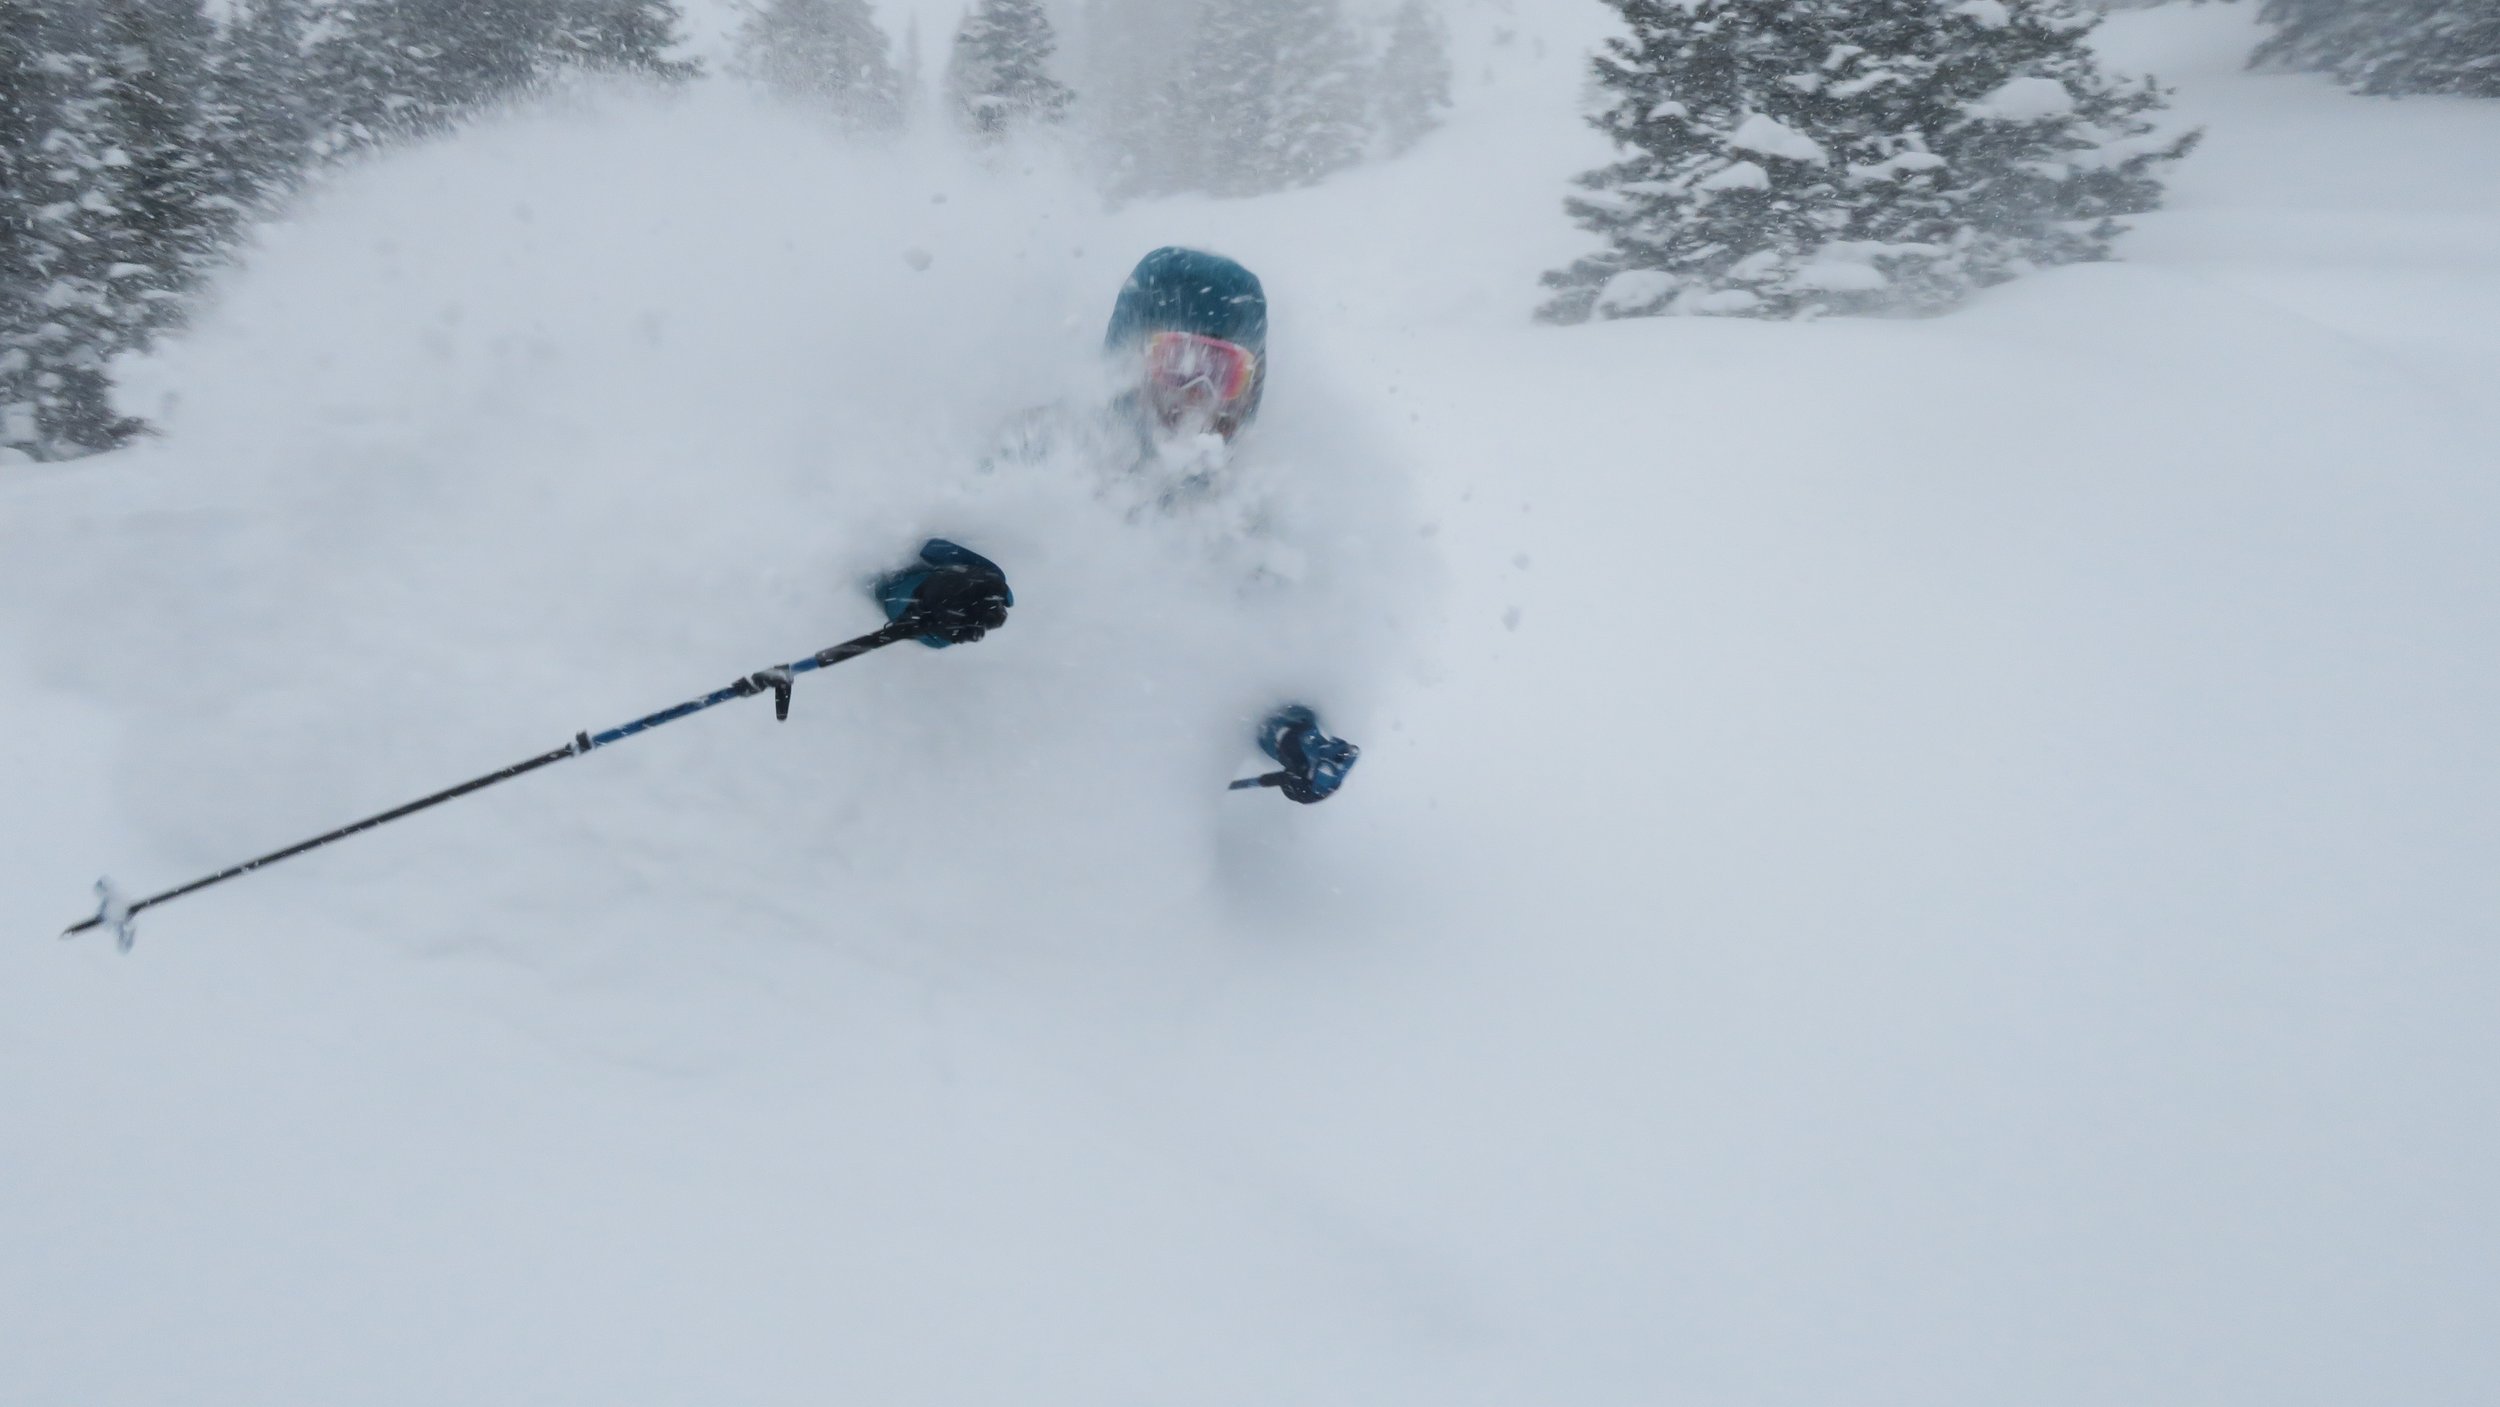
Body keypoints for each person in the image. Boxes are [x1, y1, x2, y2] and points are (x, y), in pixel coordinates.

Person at [870, 247, 1360, 805]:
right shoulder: (1042, 449)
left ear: (1250, 388)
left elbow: (1240, 665)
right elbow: (886, 565)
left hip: (1102, 812)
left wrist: (1291, 736)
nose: (1196, 393)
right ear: (1130, 357)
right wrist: (928, 591)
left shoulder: (1244, 520)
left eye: (1222, 372)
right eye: (1178, 363)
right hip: (971, 780)